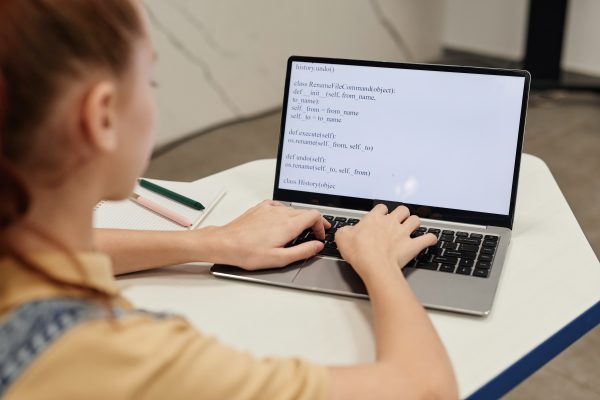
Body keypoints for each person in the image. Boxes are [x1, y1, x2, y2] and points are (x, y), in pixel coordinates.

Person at [0, 1, 458, 399]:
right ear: (101, 117)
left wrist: (212, 242)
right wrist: (377, 261)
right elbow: (426, 390)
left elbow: (50, 253)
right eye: (150, 81)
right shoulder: (120, 359)